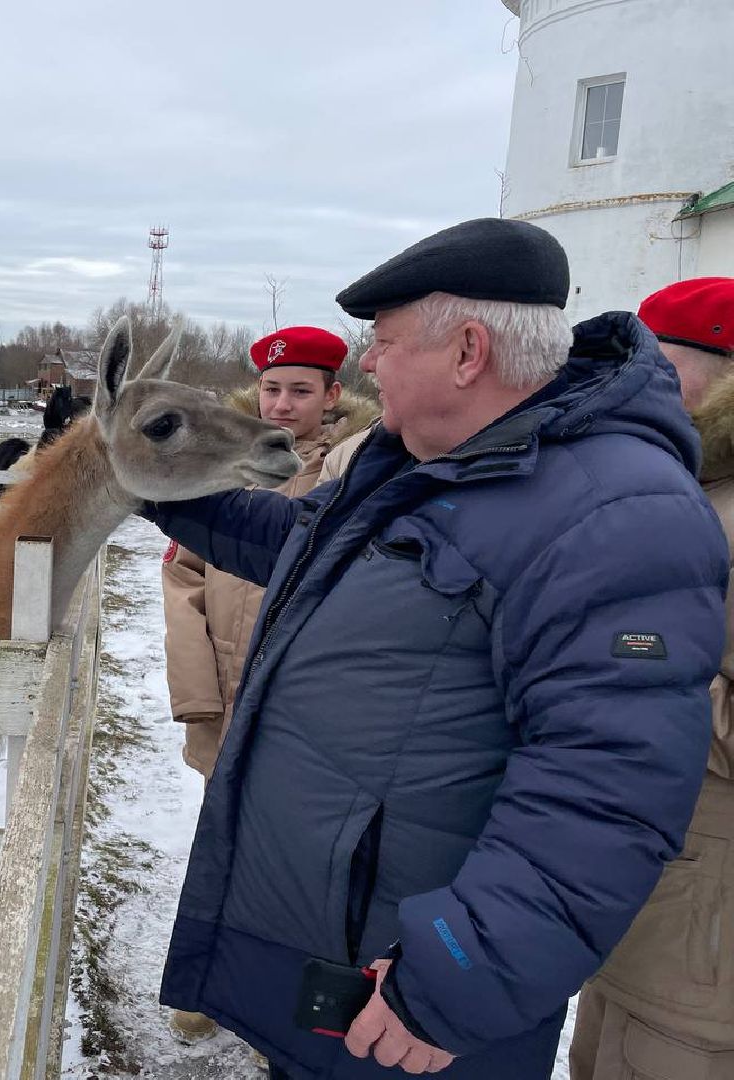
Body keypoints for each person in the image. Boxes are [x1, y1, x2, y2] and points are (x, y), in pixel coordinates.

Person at [144, 218, 728, 1079]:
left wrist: (455, 978)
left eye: (381, 342)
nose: (368, 367)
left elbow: (605, 785)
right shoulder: (435, 461)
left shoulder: (613, 513)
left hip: (405, 998)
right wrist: (154, 481)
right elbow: (306, 545)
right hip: (331, 953)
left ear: (466, 351)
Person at [163, 327, 377, 1045]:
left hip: (302, 716)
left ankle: (280, 1013)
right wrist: (196, 695)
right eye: (272, 388)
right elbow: (183, 575)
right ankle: (211, 986)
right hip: (223, 703)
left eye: (300, 391)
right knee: (219, 848)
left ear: (333, 396)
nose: (282, 404)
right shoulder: (227, 464)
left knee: (293, 870)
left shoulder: (354, 471)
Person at [569, 276, 734, 1079]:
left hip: (708, 939)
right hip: (635, 893)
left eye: (666, 367)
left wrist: (627, 673)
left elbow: (653, 660)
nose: (641, 384)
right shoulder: (664, 484)